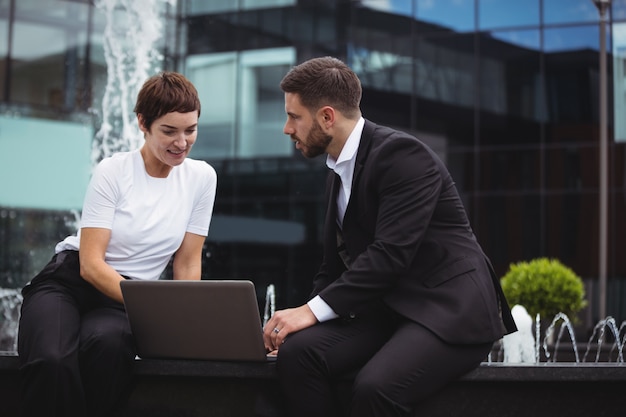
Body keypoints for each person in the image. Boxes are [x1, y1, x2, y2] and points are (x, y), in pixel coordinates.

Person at [262, 56, 517, 417]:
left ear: (327, 117)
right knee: (298, 355)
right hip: (391, 310)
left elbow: (389, 255)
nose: (287, 128)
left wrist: (309, 313)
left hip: (448, 311)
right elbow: (332, 266)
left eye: (294, 116)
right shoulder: (336, 171)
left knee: (375, 389)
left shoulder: (402, 156)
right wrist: (300, 325)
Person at [17, 71, 217, 417]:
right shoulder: (113, 171)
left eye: (190, 130)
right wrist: (150, 307)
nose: (181, 142)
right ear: (143, 122)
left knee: (108, 347)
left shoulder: (202, 178)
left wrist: (184, 322)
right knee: (52, 358)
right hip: (70, 283)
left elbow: (187, 262)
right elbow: (91, 265)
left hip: (122, 302)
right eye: (169, 131)